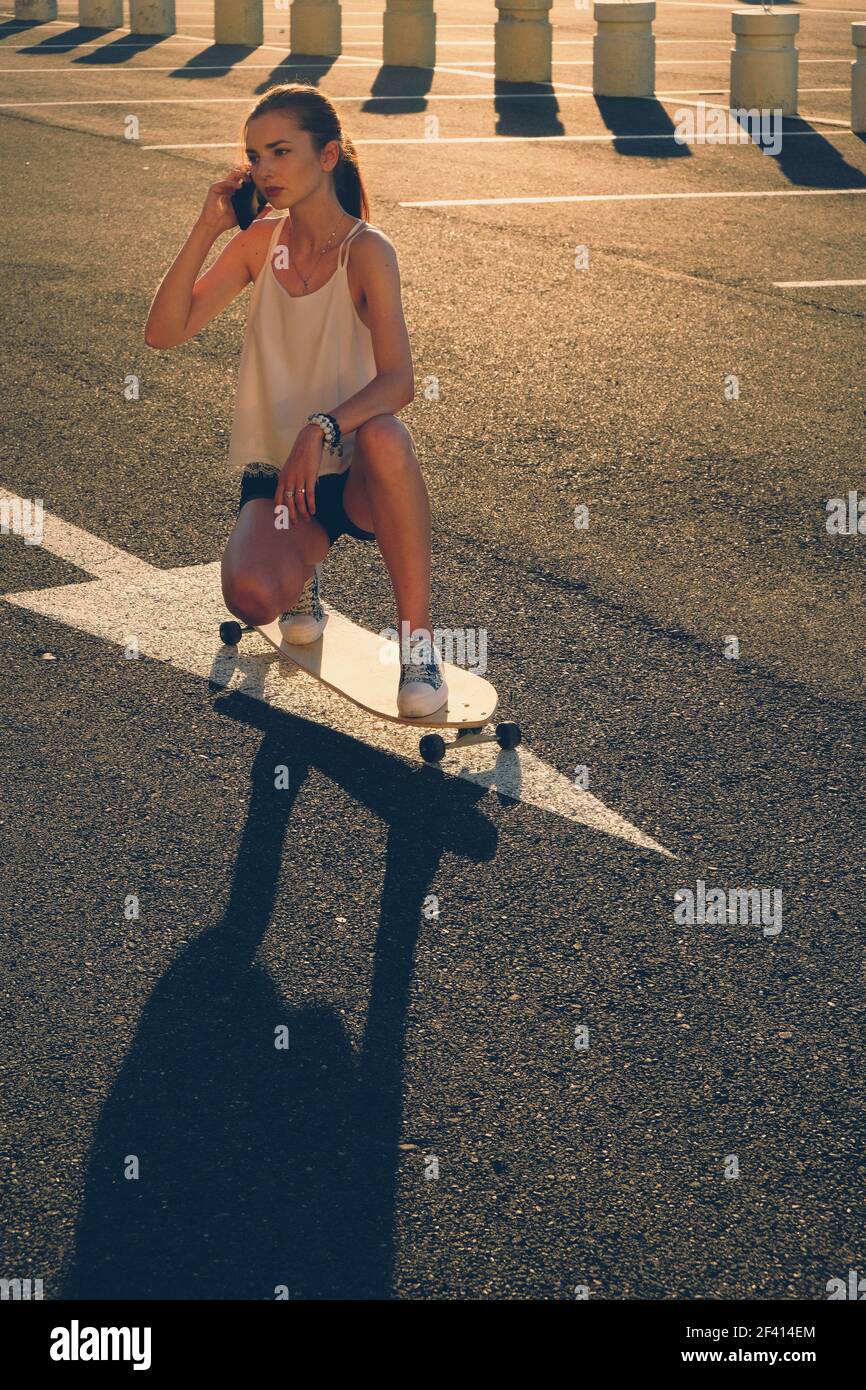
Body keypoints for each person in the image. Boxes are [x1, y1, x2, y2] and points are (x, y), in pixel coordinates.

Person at [144, 82, 446, 717]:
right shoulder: (259, 243)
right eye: (255, 157)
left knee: (389, 433)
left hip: (356, 470)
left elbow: (399, 381)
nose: (264, 170)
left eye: (280, 151)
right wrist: (207, 228)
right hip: (282, 482)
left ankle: (418, 642)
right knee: (253, 597)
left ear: (329, 155)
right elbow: (165, 332)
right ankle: (301, 583)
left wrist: (324, 427)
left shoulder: (368, 252)